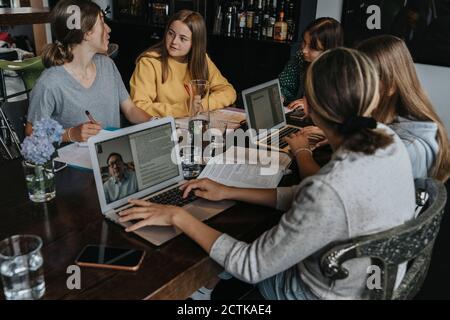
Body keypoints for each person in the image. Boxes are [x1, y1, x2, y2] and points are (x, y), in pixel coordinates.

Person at [118, 48, 416, 300]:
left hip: (314, 293)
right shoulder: (387, 140)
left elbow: (251, 265)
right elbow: (312, 198)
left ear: (310, 106)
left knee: (218, 246)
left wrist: (178, 217)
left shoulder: (329, 190)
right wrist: (229, 190)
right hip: (367, 282)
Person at [26, 0, 151, 143]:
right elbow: (31, 132)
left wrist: (156, 122)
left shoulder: (107, 65)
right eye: (102, 23)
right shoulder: (49, 82)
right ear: (86, 34)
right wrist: (70, 134)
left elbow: (130, 110)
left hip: (113, 156)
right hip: (74, 162)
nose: (108, 29)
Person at [130, 10, 237, 118]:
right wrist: (185, 108)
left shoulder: (201, 59)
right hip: (164, 128)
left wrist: (201, 106)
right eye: (171, 33)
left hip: (192, 124)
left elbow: (228, 91)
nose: (174, 42)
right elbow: (138, 107)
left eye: (183, 38)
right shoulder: (149, 62)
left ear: (195, 43)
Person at [279, 17, 343, 109]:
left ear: (329, 51)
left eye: (313, 47)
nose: (304, 50)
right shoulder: (300, 58)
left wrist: (311, 105)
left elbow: (339, 105)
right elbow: (285, 86)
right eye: (304, 42)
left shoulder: (343, 71)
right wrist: (281, 96)